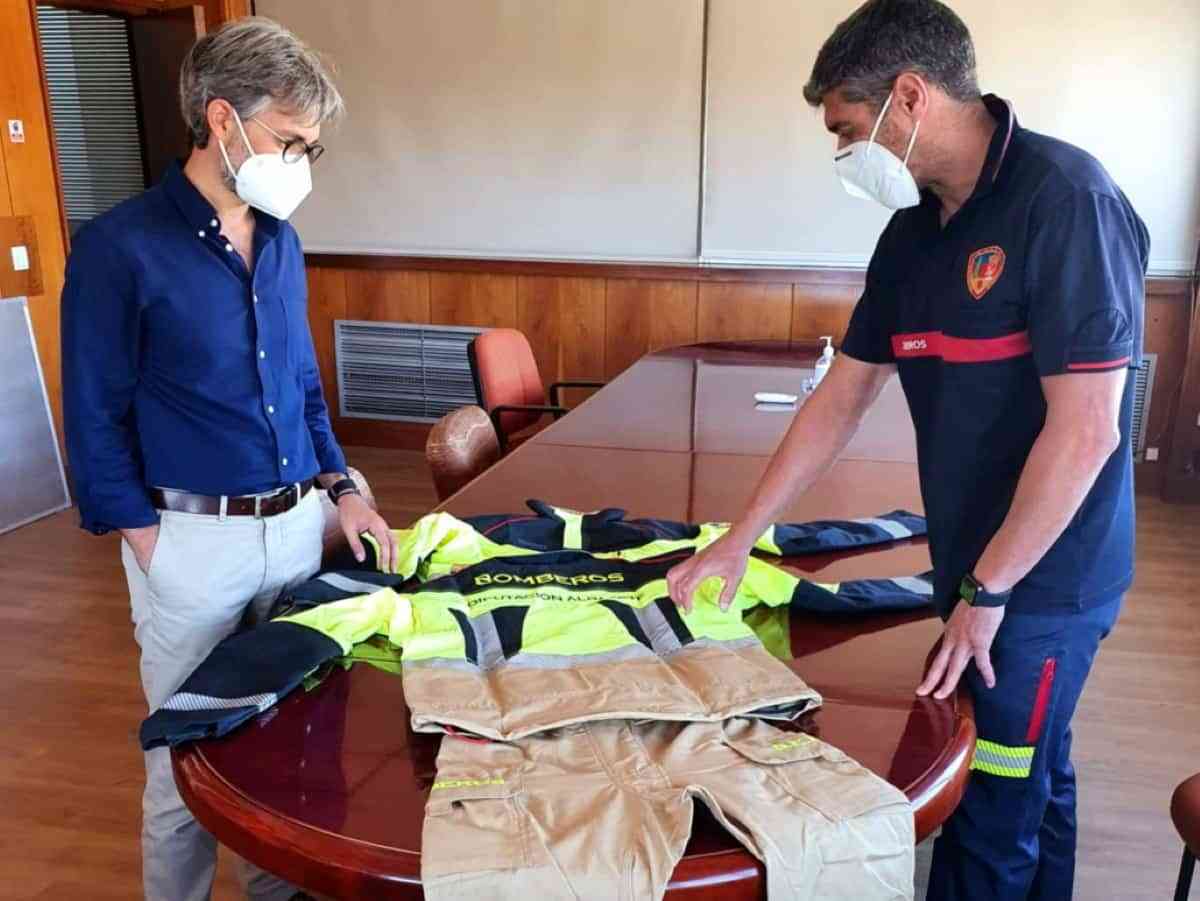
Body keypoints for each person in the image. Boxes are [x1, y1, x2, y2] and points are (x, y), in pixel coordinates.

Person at [667, 1, 1147, 899]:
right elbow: (841, 397)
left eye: (847, 130)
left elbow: (1087, 429)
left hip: (1043, 579)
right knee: (1036, 773)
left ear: (911, 97)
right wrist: (740, 537)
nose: (844, 154)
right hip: (972, 558)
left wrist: (988, 592)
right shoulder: (913, 233)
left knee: (992, 800)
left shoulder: (1065, 201)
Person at [61, 17, 397, 901]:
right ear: (222, 120)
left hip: (295, 535)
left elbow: (304, 386)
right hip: (190, 546)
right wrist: (148, 543)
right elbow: (92, 417)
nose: (301, 164)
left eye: (311, 148)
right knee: (184, 771)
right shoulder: (119, 248)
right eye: (290, 141)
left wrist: (344, 488)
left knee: (289, 750)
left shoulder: (281, 242)